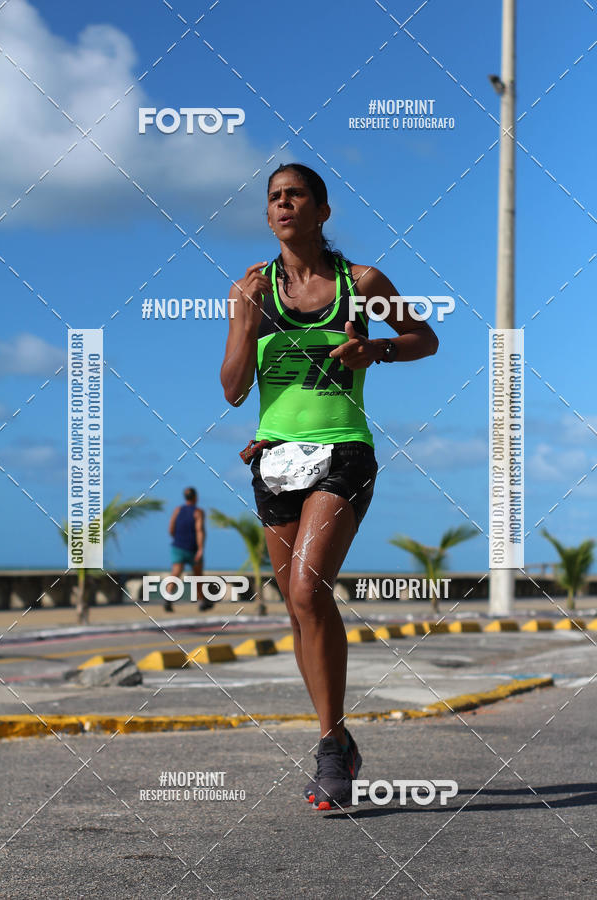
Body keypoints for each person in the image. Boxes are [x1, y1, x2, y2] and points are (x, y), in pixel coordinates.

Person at [220, 163, 438, 810]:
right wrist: (246, 318)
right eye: (274, 198)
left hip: (344, 451)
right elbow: (233, 389)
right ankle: (337, 738)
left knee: (310, 587)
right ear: (268, 216)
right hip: (274, 458)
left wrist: (374, 352)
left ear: (322, 211)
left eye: (296, 196)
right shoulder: (249, 290)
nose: (284, 205)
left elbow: (424, 338)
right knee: (296, 603)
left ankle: (325, 749)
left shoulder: (360, 282)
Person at [166, 487, 212, 612]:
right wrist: (201, 549)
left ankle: (168, 598)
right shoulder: (198, 512)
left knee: (175, 573)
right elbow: (199, 531)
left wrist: (177, 539)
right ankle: (202, 601)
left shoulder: (177, 510)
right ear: (196, 497)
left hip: (178, 546)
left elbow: (171, 528)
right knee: (198, 576)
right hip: (192, 548)